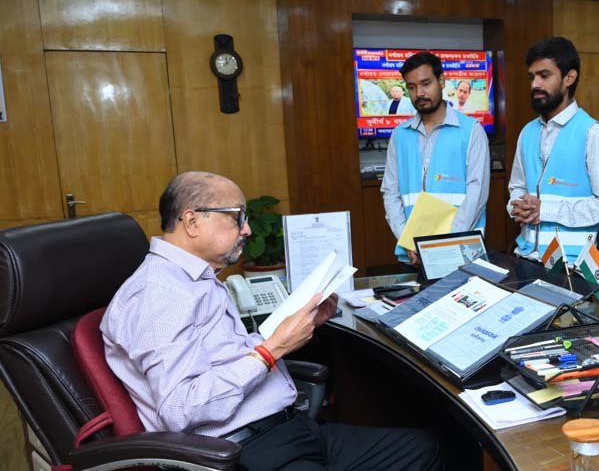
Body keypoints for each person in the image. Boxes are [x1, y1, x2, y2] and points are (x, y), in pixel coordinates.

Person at [101, 172, 442, 471]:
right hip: (240, 452)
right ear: (192, 222)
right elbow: (181, 408)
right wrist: (271, 349)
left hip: (286, 432)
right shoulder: (159, 294)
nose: (247, 228)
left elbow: (225, 356)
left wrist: (296, 328)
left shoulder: (196, 279)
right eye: (237, 217)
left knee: (425, 449)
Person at [508, 36, 599, 263]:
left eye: (544, 76)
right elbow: (517, 186)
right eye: (532, 77)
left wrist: (545, 210)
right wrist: (517, 207)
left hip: (572, 266)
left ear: (569, 78)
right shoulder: (527, 132)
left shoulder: (592, 133)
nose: (535, 84)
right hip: (526, 256)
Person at [382, 51, 490, 263]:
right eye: (411, 87)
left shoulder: (471, 131)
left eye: (426, 84)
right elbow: (390, 192)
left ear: (441, 81)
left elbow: (477, 196)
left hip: (460, 252)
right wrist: (407, 240)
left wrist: (442, 247)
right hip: (413, 254)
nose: (419, 93)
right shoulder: (400, 134)